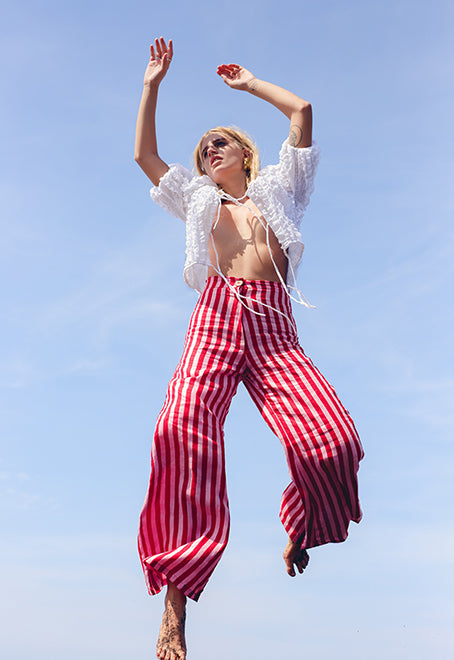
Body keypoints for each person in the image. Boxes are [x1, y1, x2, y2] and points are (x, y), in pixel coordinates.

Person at [134, 37, 364, 660]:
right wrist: (153, 83)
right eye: (203, 145)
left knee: (333, 439)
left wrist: (252, 83)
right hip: (214, 320)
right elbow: (145, 155)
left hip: (273, 329)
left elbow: (303, 113)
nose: (209, 148)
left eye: (221, 141)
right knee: (177, 432)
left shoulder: (280, 191)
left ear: (245, 154)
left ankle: (305, 527)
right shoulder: (197, 199)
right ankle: (175, 607)